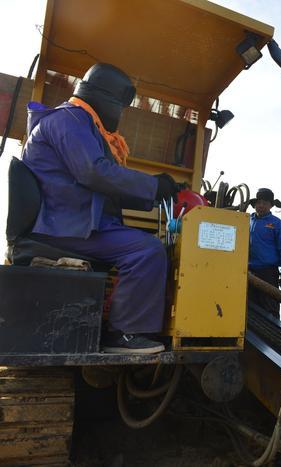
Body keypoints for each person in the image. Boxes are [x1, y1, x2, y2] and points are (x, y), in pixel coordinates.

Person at [22, 63, 180, 354]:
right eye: (120, 105)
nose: (120, 113)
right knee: (146, 250)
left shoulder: (74, 120)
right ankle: (124, 334)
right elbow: (94, 172)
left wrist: (157, 191)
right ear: (106, 99)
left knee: (143, 245)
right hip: (63, 224)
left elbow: (103, 187)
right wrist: (153, 186)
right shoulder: (70, 119)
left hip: (67, 218)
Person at [248, 188, 281, 319]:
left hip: (268, 273)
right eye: (259, 202)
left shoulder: (278, 225)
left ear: (271, 205)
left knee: (269, 310)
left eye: (265, 203)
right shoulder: (245, 221)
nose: (261, 205)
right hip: (247, 272)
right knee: (247, 309)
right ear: (255, 204)